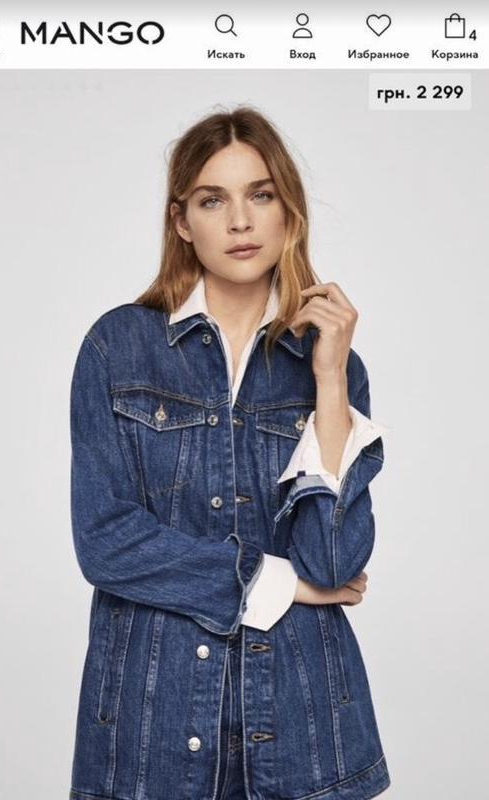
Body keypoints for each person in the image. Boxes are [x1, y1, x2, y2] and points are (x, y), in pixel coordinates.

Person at [68, 105, 392, 800]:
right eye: (213, 200)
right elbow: (105, 541)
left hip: (302, 723)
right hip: (151, 720)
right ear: (182, 221)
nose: (240, 222)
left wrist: (330, 378)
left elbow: (334, 562)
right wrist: (278, 584)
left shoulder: (333, 369)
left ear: (288, 210)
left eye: (260, 195)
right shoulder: (117, 348)